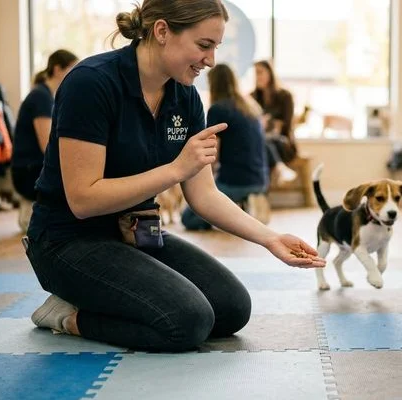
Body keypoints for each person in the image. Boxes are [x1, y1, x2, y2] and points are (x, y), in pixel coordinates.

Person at [24, 0, 325, 353]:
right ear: (162, 31)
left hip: (136, 232)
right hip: (66, 241)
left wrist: (270, 239)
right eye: (204, 45)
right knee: (187, 321)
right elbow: (83, 199)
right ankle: (66, 316)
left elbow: (204, 195)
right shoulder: (91, 83)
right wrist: (175, 169)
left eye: (215, 47)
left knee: (232, 308)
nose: (211, 60)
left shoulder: (185, 97)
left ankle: (111, 300)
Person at [181, 63, 269, 230]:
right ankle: (243, 204)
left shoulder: (218, 109)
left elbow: (211, 154)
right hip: (260, 180)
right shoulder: (250, 106)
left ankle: (233, 211)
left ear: (213, 83)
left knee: (188, 218)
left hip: (235, 181)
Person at [11, 50, 79, 232]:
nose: (75, 74)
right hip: (28, 171)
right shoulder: (41, 97)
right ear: (57, 69)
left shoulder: (47, 95)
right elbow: (46, 145)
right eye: (72, 68)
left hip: (28, 167)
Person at [251, 60, 298, 185]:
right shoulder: (252, 98)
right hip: (260, 142)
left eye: (260, 72)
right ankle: (279, 168)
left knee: (263, 145)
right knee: (261, 144)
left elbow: (285, 125)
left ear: (270, 73)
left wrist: (266, 123)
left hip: (283, 143)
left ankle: (259, 191)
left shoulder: (285, 96)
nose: (257, 77)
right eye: (255, 73)